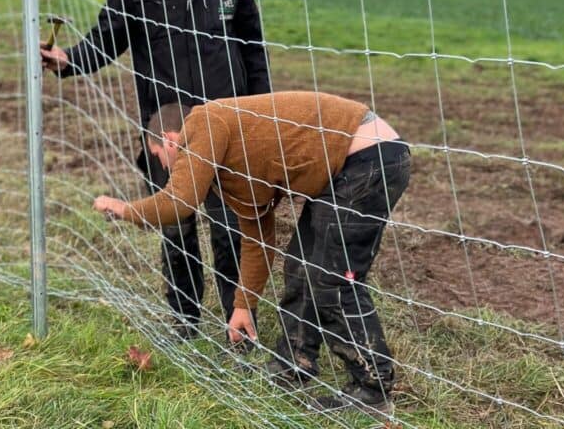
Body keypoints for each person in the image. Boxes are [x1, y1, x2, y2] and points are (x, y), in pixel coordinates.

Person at [41, 0, 271, 338]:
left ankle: (237, 323)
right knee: (177, 227)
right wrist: (68, 60)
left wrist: (262, 114)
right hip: (165, 127)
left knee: (231, 228)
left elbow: (253, 49)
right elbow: (107, 40)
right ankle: (185, 321)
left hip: (229, 125)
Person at [93, 91, 411, 418]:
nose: (162, 165)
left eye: (158, 155)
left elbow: (178, 202)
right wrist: (244, 304)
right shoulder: (232, 167)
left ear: (170, 139)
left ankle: (372, 389)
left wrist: (123, 208)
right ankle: (293, 365)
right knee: (301, 266)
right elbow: (258, 238)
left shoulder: (204, 121)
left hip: (369, 160)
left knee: (332, 280)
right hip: (348, 167)